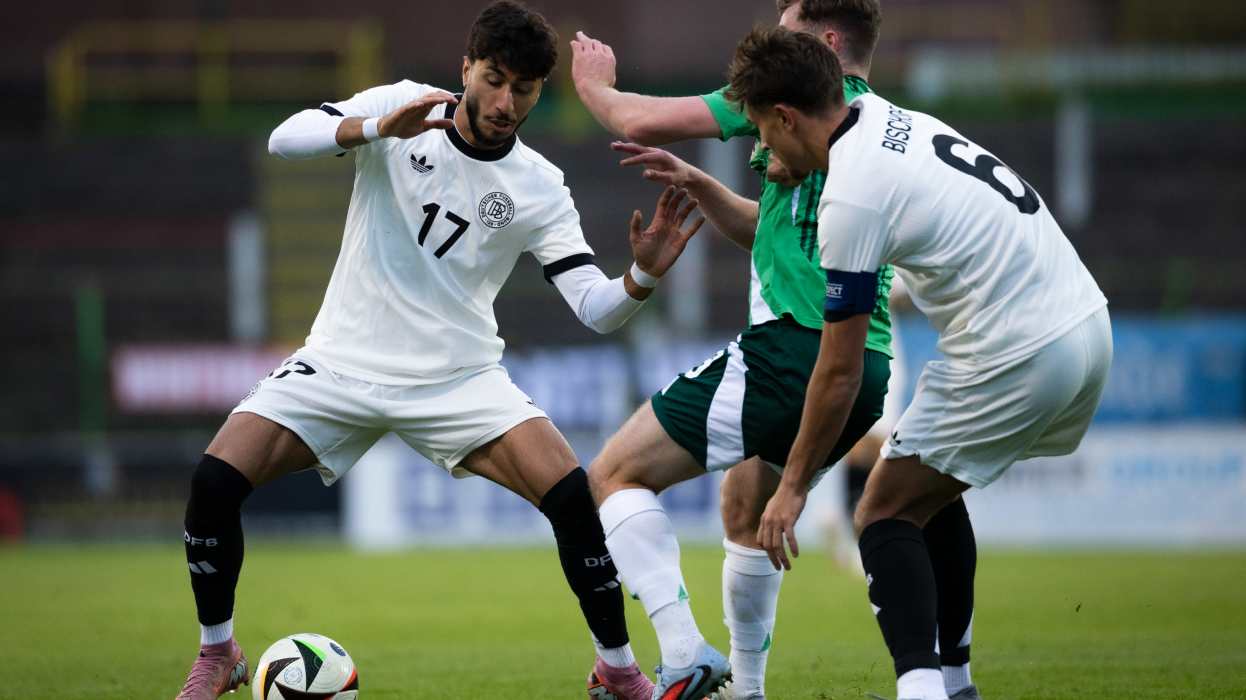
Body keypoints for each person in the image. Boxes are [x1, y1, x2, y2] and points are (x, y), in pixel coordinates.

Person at [172, 3, 705, 699]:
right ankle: (219, 653)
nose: (506, 102)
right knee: (213, 484)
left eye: (524, 89)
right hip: (340, 363)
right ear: (466, 68)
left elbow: (595, 309)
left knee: (573, 498)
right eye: (494, 80)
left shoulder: (539, 185)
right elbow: (284, 138)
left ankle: (618, 670)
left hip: (458, 380)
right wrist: (372, 129)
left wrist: (642, 276)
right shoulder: (402, 108)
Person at [732, 27, 1112, 700]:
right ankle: (957, 685)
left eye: (764, 132)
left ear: (787, 117)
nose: (763, 152)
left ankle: (922, 691)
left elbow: (841, 369)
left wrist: (792, 487)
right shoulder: (888, 118)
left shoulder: (850, 197)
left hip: (1017, 346)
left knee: (882, 512)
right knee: (927, 492)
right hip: (1085, 324)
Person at [571, 2, 894, 698]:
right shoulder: (880, 128)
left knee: (613, 475)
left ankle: (684, 652)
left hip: (791, 349)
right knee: (745, 507)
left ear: (826, 42)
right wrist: (704, 185)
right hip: (866, 363)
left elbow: (635, 120)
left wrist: (594, 85)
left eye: (789, 26)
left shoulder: (787, 95)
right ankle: (747, 691)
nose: (778, 41)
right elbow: (778, 231)